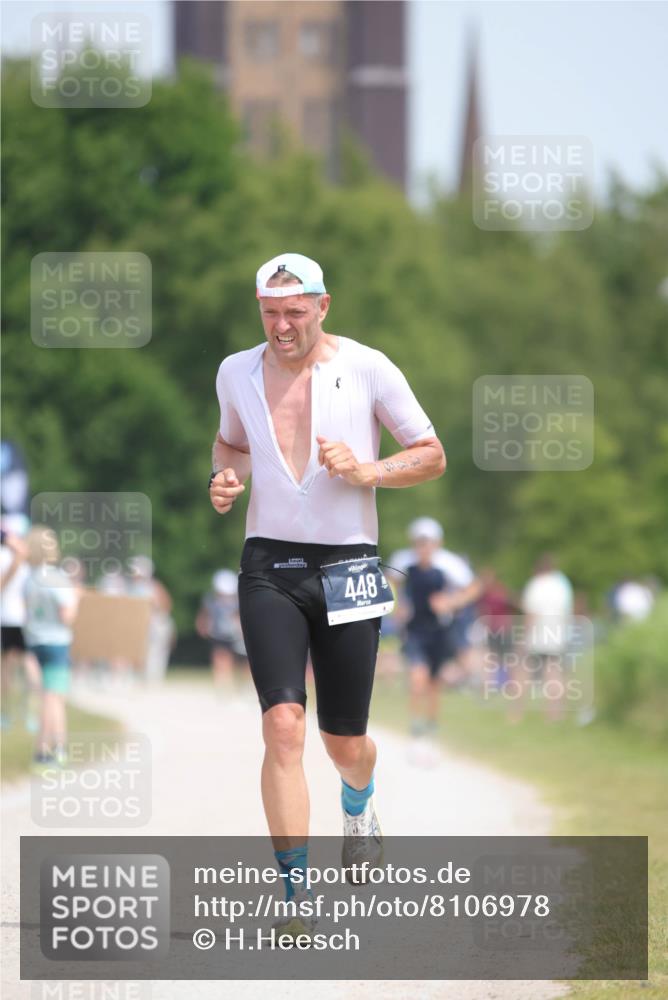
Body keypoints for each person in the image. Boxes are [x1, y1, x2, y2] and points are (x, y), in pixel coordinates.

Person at [209, 252, 446, 939]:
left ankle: (360, 797)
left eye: (294, 312)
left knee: (345, 741)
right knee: (282, 724)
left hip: (350, 565)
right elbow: (229, 447)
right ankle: (295, 896)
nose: (281, 326)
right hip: (268, 565)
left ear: (323, 305)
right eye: (269, 312)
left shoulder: (369, 366)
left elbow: (430, 453)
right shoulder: (235, 371)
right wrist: (225, 479)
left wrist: (369, 469)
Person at [390, 518, 481, 745]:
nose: (424, 547)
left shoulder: (448, 564)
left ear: (437, 543)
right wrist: (398, 605)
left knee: (434, 681)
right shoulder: (403, 562)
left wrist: (451, 601)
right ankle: (415, 724)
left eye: (428, 542)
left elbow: (473, 588)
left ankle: (431, 723)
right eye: (419, 542)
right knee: (417, 676)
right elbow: (389, 583)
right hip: (414, 629)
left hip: (439, 629)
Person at [22, 525, 79, 769]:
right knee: (54, 699)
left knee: (47, 695)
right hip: (57, 643)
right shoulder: (56, 578)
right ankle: (55, 748)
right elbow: (66, 615)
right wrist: (76, 599)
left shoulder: (29, 578)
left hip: (36, 642)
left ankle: (44, 749)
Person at [520, 554, 574, 722]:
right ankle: (554, 714)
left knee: (524, 670)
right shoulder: (562, 585)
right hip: (559, 635)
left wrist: (523, 637)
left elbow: (532, 613)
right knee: (555, 674)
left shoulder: (536, 585)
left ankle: (517, 712)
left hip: (537, 635)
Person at [0, 518, 41, 730]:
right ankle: (19, 713)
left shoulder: (16, 558)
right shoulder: (24, 558)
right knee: (20, 665)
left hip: (14, 618)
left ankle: (21, 713)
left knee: (15, 665)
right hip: (13, 617)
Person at [126, 556, 175, 684]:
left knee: (154, 655)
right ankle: (138, 679)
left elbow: (165, 606)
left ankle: (152, 681)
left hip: (153, 625)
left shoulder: (153, 586)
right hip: (138, 625)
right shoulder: (130, 587)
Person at [196, 569, 244, 688]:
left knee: (235, 661)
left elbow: (239, 616)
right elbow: (205, 614)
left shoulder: (238, 600)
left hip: (234, 635)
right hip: (217, 634)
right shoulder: (211, 599)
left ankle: (232, 684)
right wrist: (202, 625)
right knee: (219, 658)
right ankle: (221, 684)